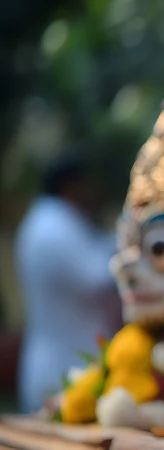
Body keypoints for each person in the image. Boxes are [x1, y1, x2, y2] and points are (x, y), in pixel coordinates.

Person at [15, 155, 122, 413]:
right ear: (71, 186)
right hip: (64, 369)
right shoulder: (54, 226)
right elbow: (100, 278)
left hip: (61, 362)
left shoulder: (48, 221)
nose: (92, 192)